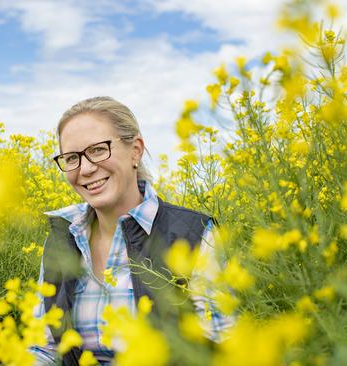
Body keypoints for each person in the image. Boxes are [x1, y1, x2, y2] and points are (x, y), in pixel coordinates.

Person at [30, 96, 232, 366]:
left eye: (99, 150)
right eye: (72, 158)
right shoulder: (62, 237)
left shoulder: (193, 234)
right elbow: (44, 348)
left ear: (135, 150)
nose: (86, 168)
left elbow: (219, 348)